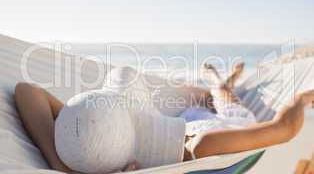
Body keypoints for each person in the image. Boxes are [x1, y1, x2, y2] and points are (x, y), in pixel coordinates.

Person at [14, 63, 314, 173]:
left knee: (217, 95)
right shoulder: (204, 146)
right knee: (225, 100)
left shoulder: (91, 141)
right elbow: (284, 128)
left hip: (185, 120)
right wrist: (300, 98)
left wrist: (59, 161)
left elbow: (27, 91)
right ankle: (218, 78)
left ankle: (220, 79)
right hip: (232, 127)